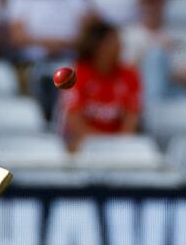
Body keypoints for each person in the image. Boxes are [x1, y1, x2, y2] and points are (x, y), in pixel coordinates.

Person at [60, 19, 142, 151]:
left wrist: (116, 145)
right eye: (114, 41)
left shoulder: (130, 75)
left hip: (120, 146)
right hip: (84, 144)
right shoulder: (76, 75)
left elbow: (131, 119)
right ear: (99, 46)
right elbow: (74, 120)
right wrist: (102, 144)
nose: (120, 46)